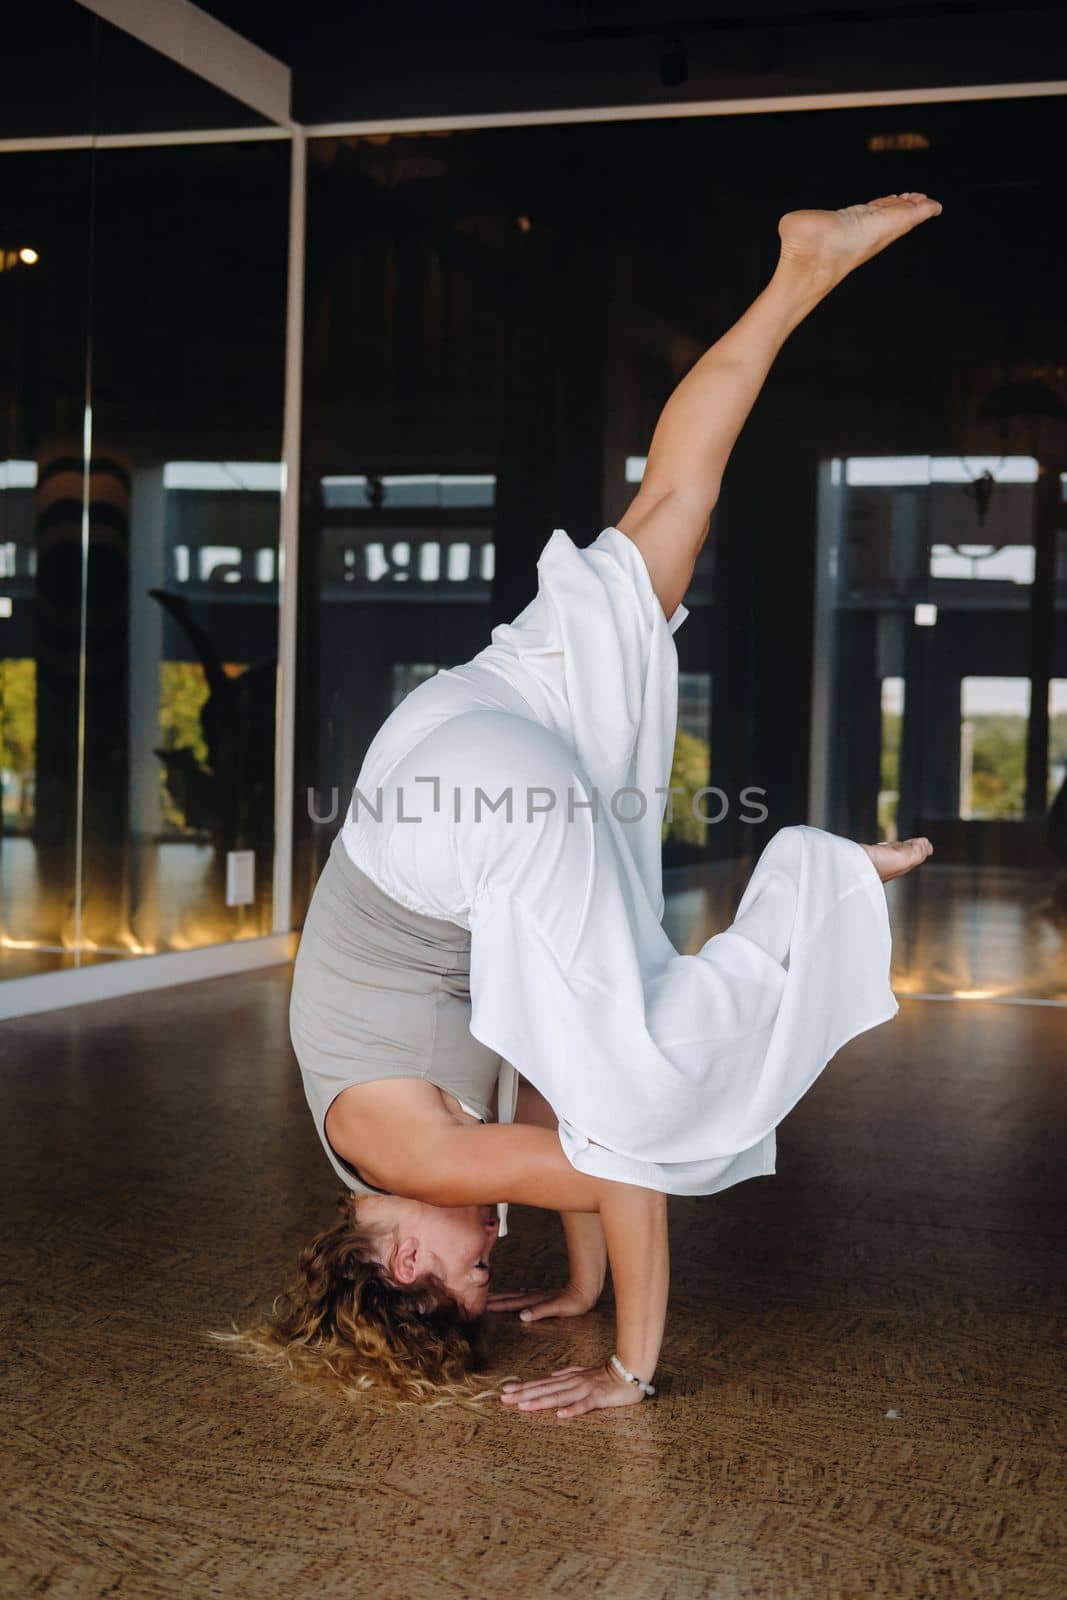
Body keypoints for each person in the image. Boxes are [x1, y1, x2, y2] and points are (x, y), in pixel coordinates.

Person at [220, 194, 941, 1417]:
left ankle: (813, 882)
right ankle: (797, 270)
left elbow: (619, 1158)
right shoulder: (373, 1129)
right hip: (439, 745)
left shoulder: (416, 1154)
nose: (487, 1256)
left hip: (473, 826)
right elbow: (557, 1086)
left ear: (400, 1257)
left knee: (660, 1089)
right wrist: (582, 1287)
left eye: (467, 1273)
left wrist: (628, 1364)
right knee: (669, 508)